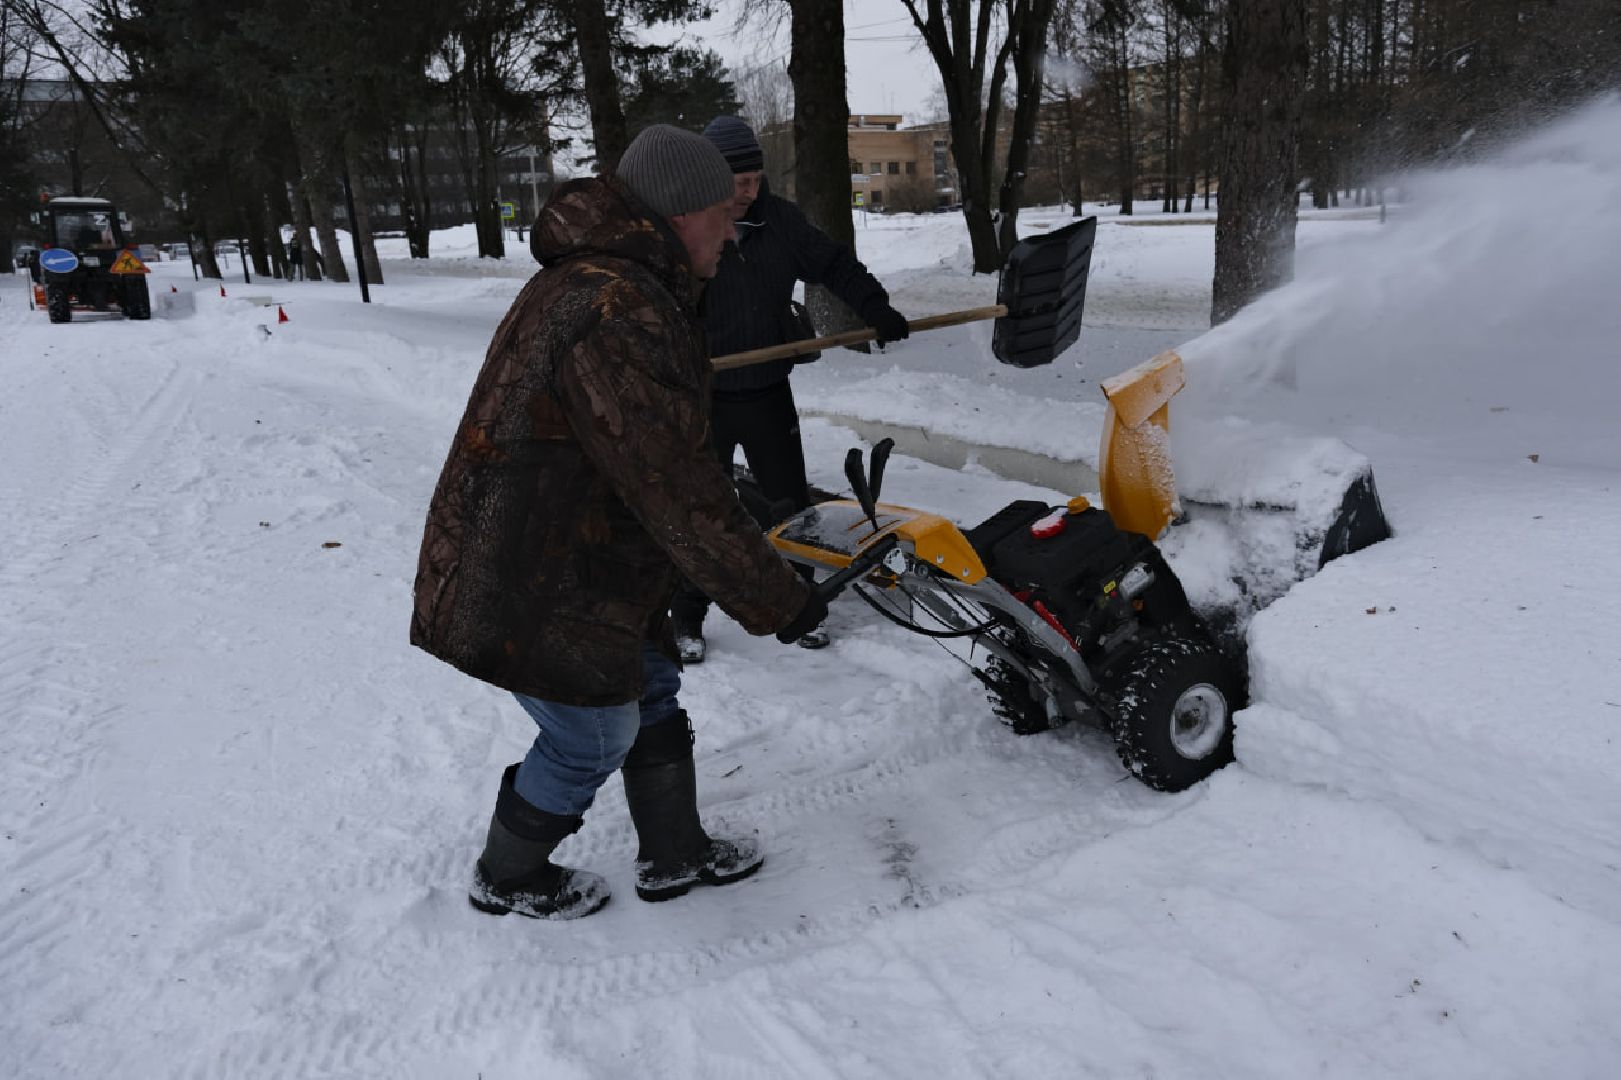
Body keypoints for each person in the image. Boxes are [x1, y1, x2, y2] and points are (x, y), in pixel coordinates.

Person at [411, 124, 828, 922]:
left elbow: (645, 457)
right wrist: (778, 598)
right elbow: (675, 488)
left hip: (579, 556)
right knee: (589, 738)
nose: (731, 233)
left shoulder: (616, 285)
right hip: (528, 572)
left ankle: (675, 852)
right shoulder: (616, 305)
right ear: (679, 216)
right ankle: (508, 875)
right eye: (720, 213)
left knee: (653, 688)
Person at [668, 115, 910, 664]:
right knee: (699, 510)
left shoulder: (780, 223)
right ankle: (685, 615)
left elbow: (833, 264)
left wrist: (873, 305)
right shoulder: (688, 228)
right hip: (703, 397)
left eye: (755, 179)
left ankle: (799, 607)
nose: (747, 192)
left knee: (790, 507)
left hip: (767, 392)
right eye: (736, 182)